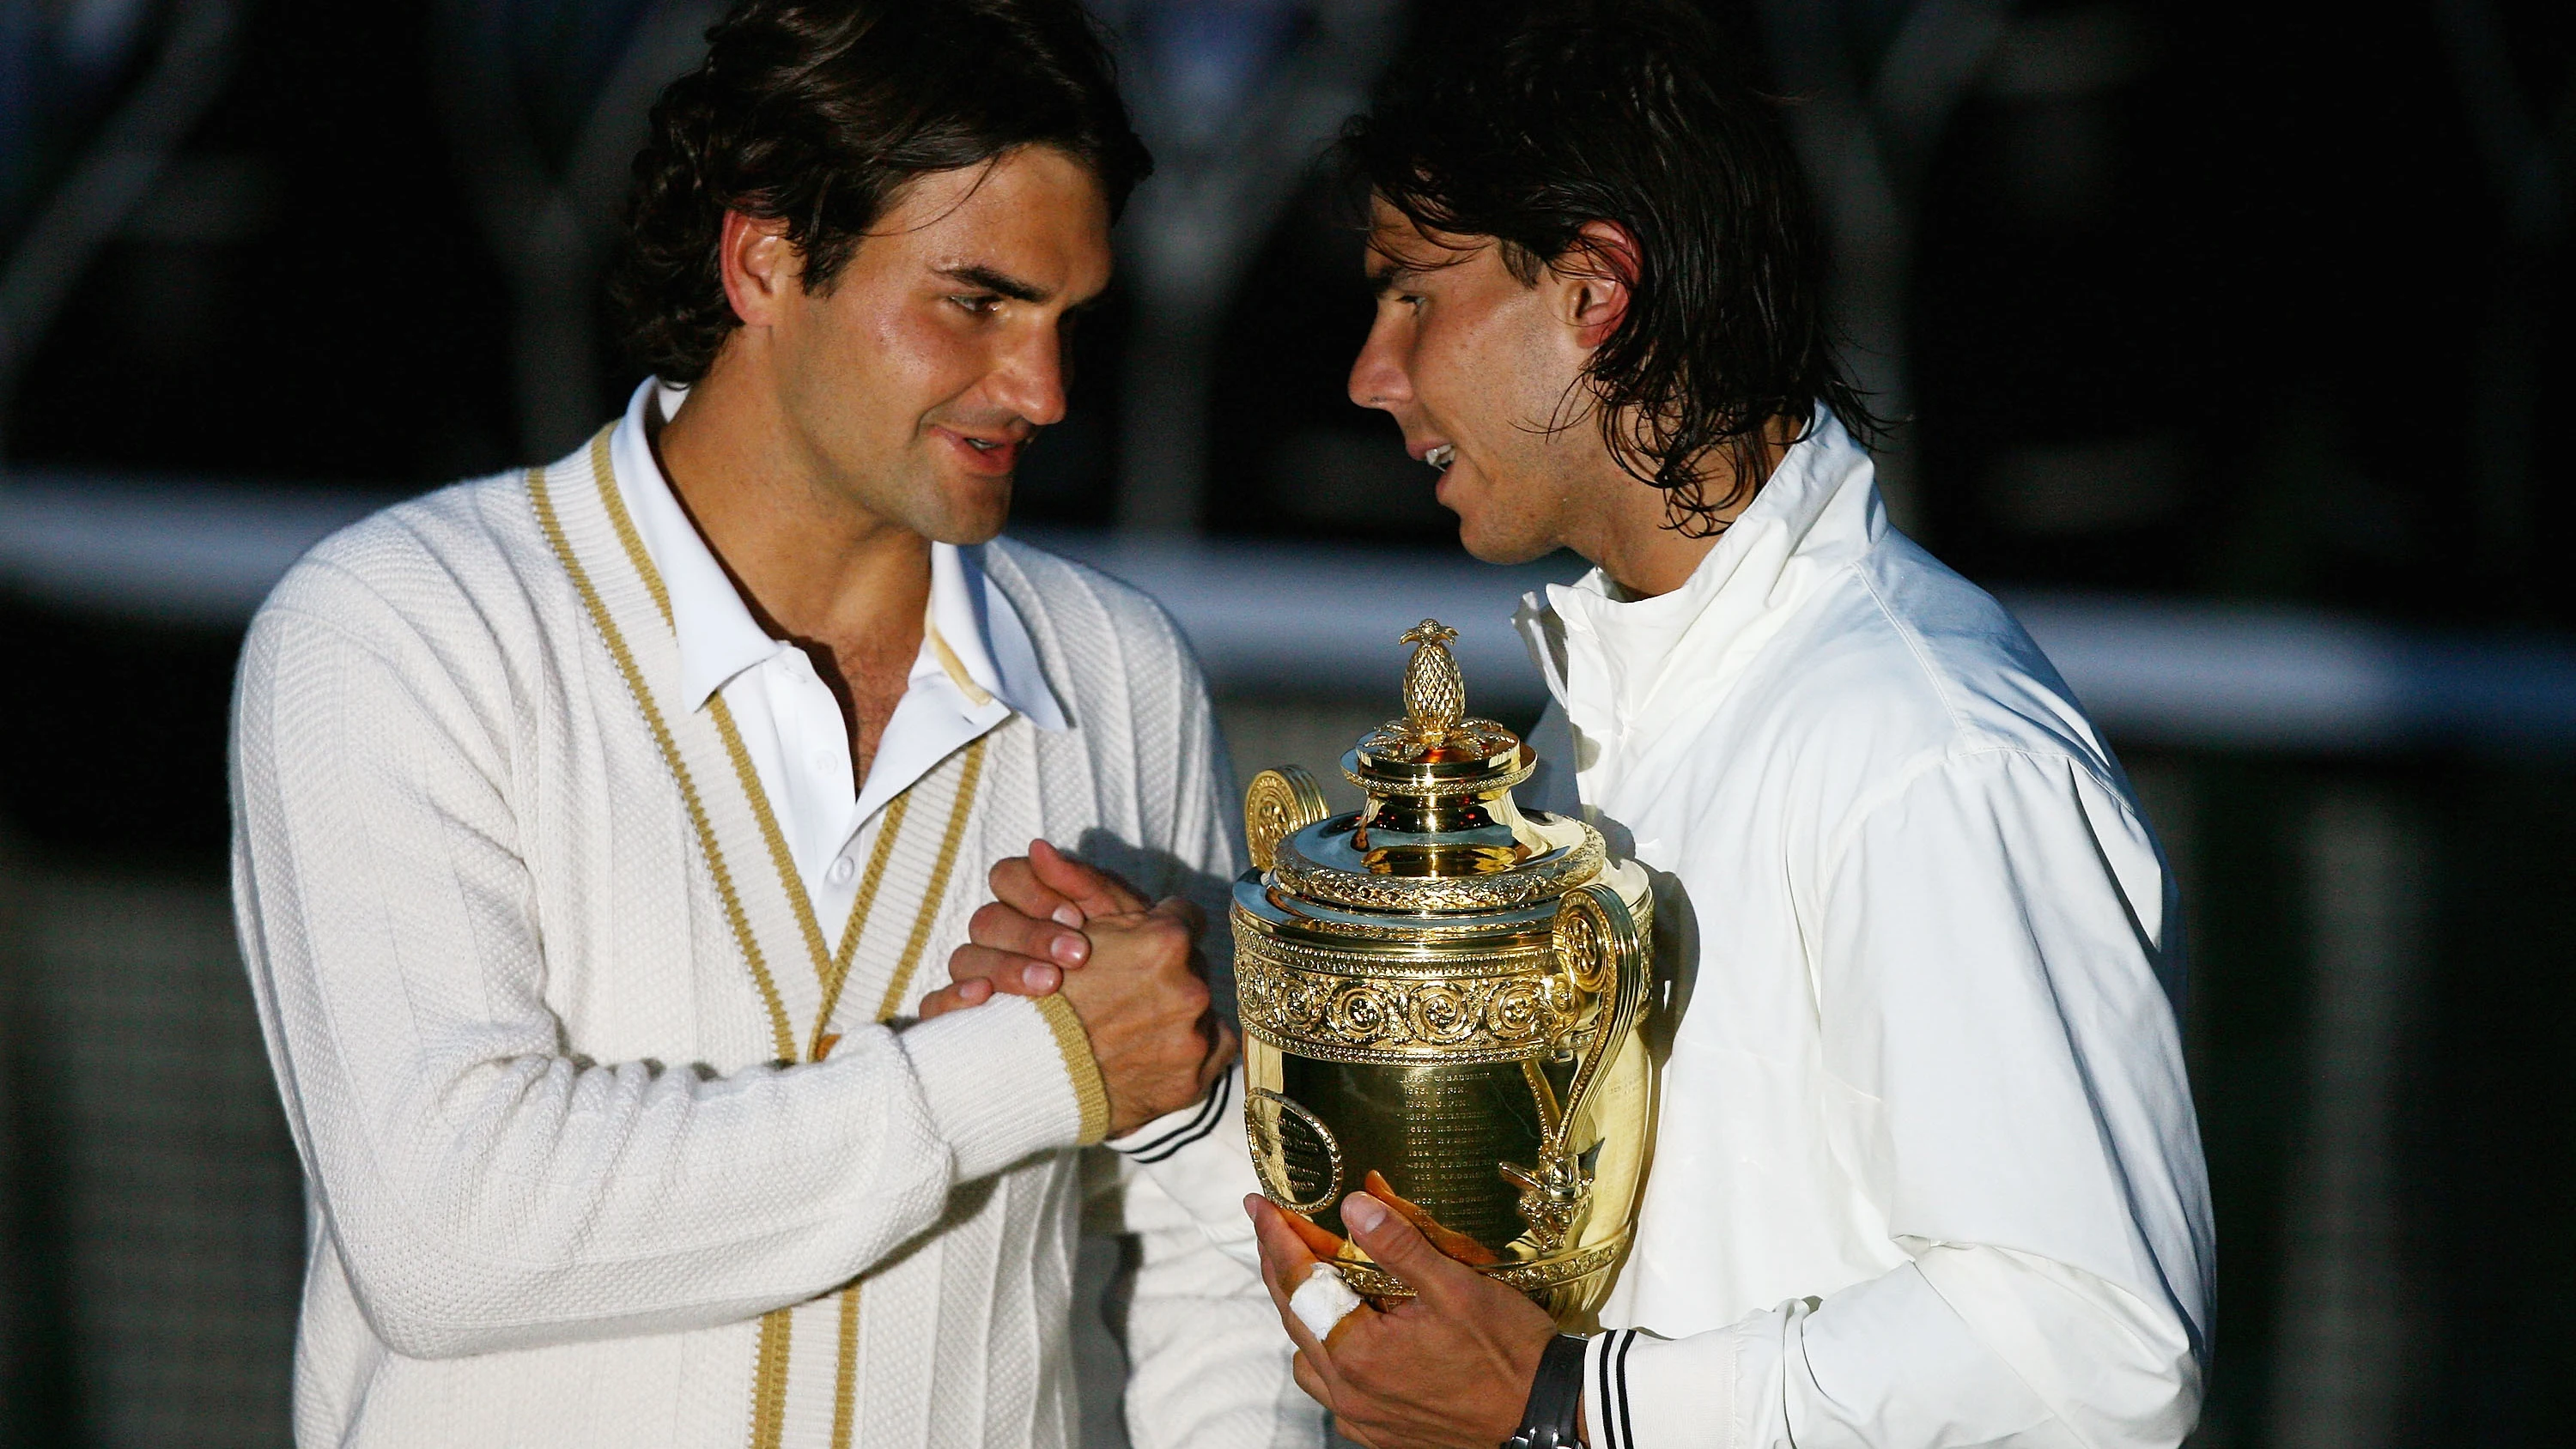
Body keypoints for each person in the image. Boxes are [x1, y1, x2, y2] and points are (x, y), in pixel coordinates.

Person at [937, 3, 2213, 1446]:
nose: (1371, 371)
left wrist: (1567, 1408)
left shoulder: (1919, 745)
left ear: (1596, 291)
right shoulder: (1614, 713)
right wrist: (1196, 1033)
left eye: (1415, 292)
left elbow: (2091, 1350)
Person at [228, 3, 1317, 1446]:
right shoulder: (398, 628)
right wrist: (1028, 1071)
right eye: (976, 302)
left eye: (1067, 320)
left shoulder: (1115, 671)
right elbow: (449, 1234)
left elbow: (1214, 1232)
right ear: (766, 259)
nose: (1041, 391)